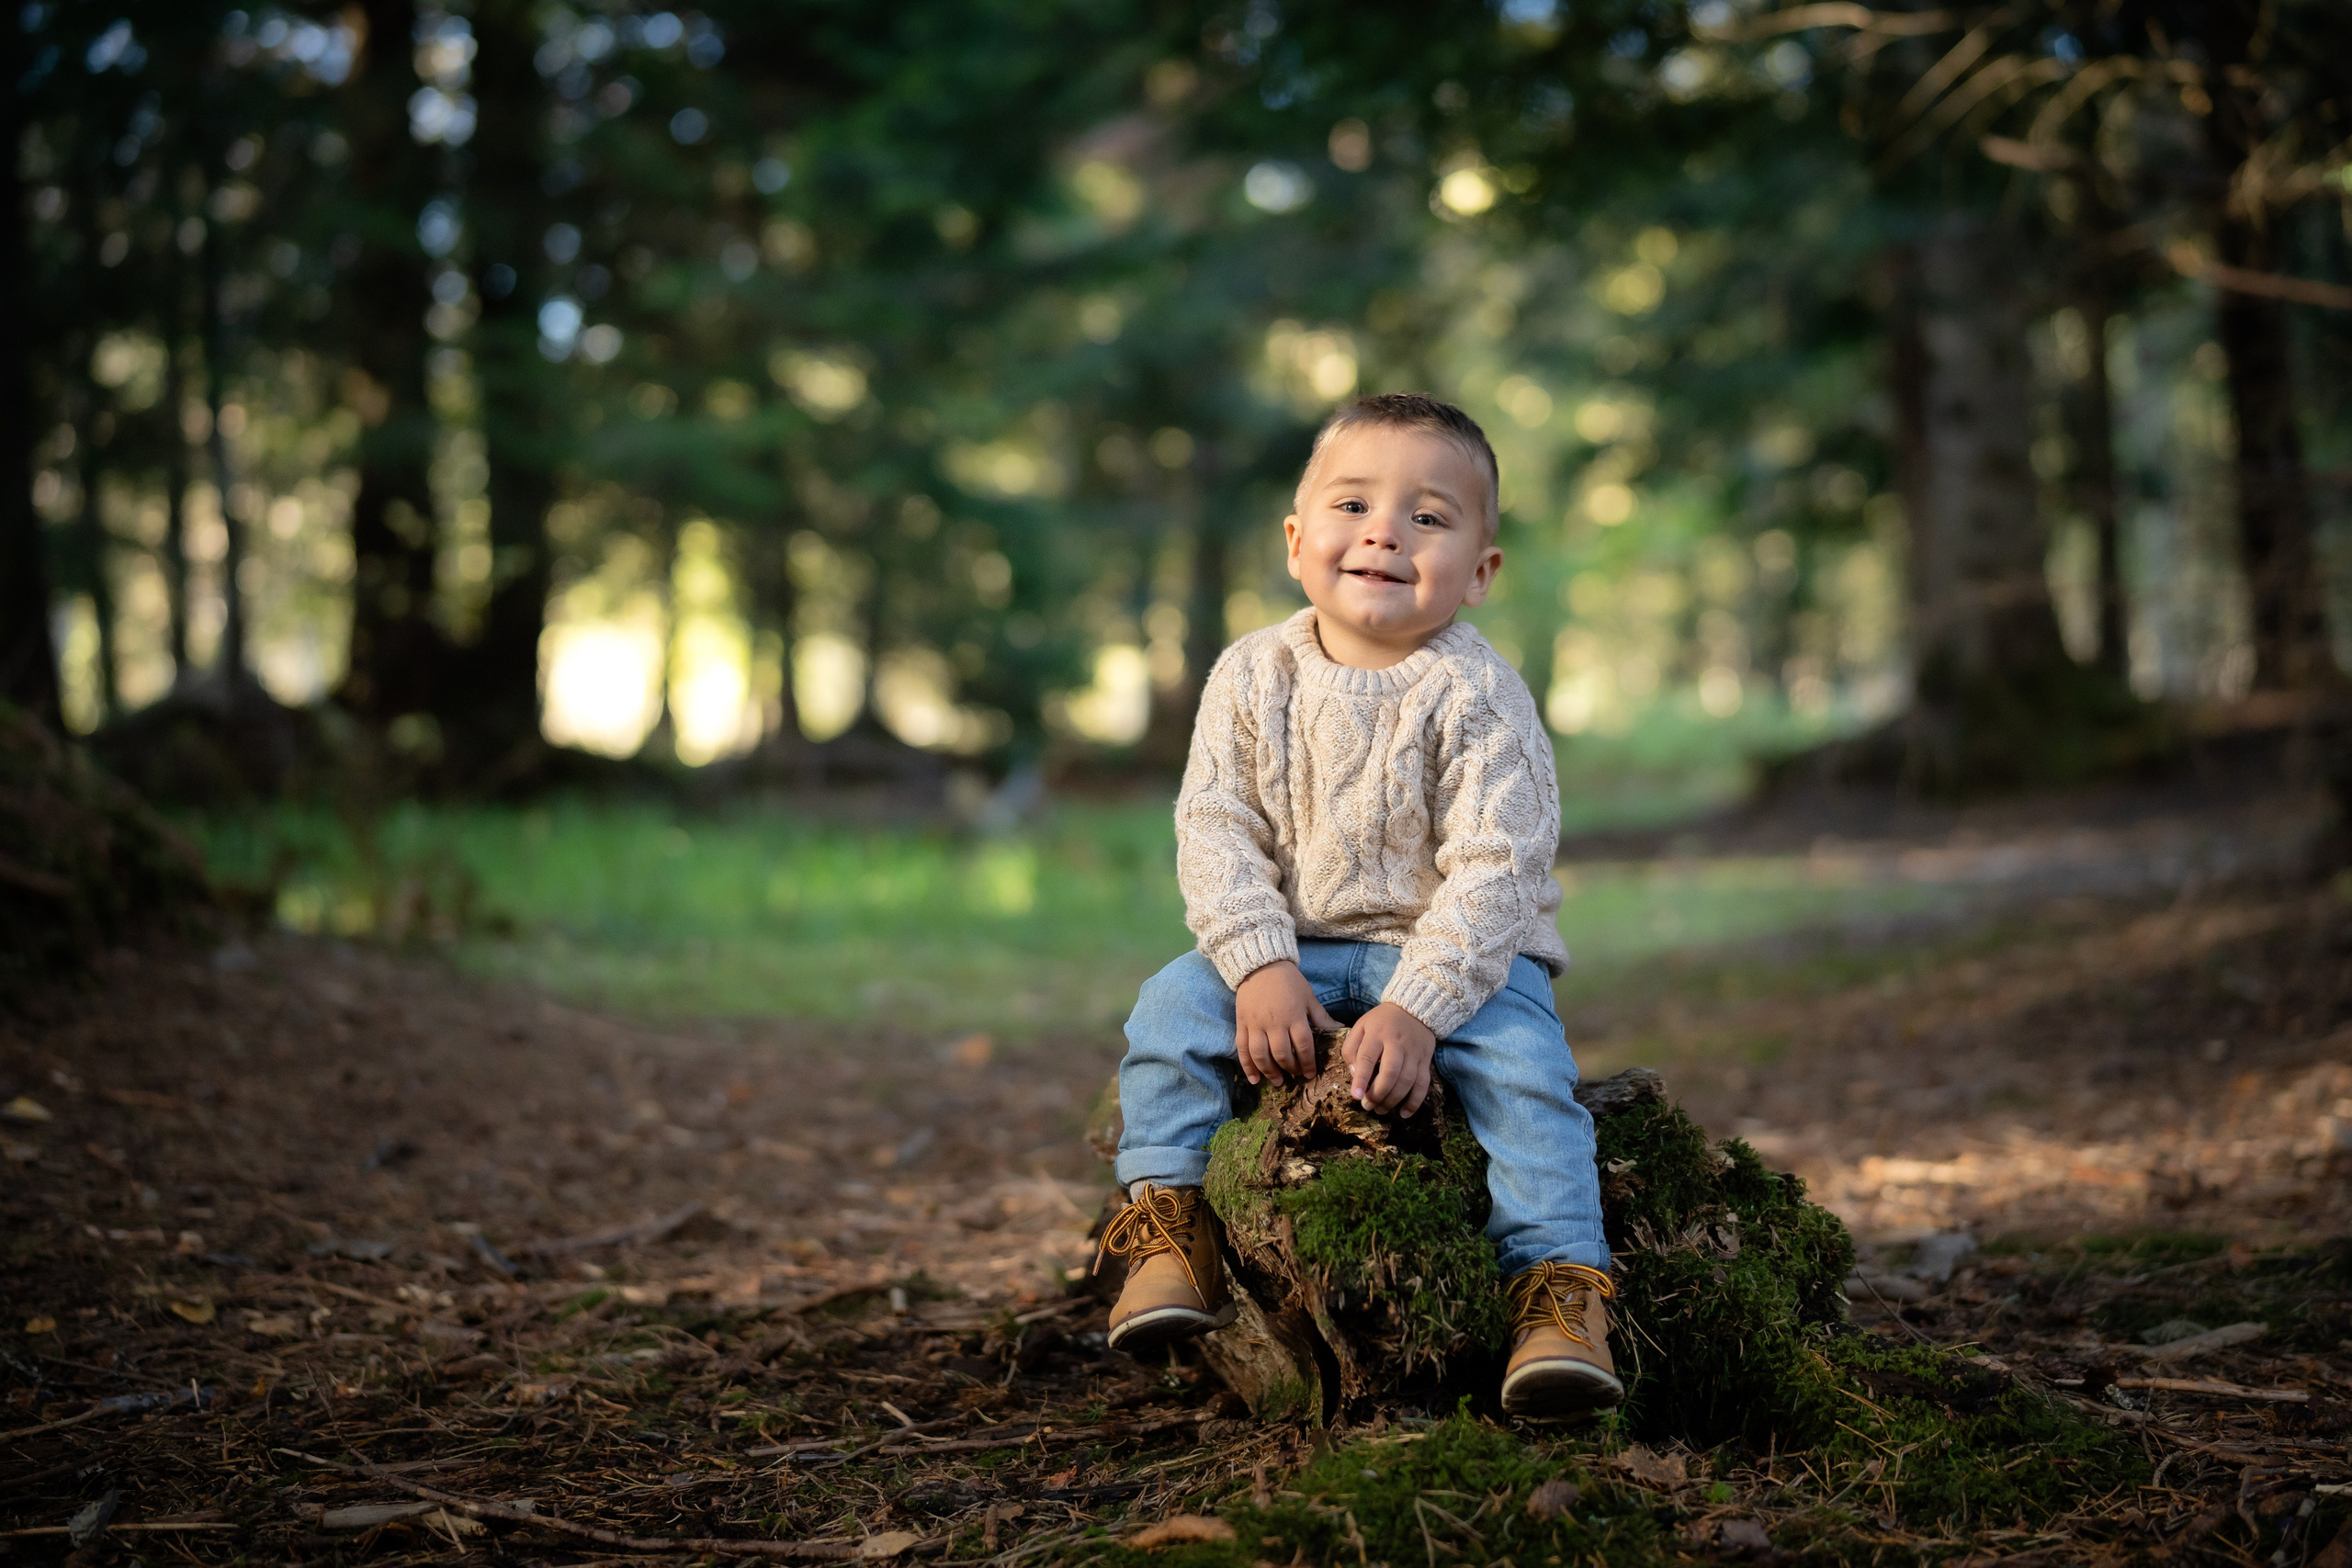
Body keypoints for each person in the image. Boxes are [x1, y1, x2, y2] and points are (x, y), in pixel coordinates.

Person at [1096, 392, 1618, 1420]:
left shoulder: (1479, 696)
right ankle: (1168, 1223)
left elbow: (1496, 873)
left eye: (1429, 517)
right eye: (1352, 504)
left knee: (1528, 1079)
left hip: (1464, 961)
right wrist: (1255, 964)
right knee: (1164, 1013)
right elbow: (1214, 827)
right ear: (1297, 542)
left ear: (1480, 571)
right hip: (1289, 947)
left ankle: (1557, 1291)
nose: (1384, 530)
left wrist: (1420, 1008)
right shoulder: (1253, 673)